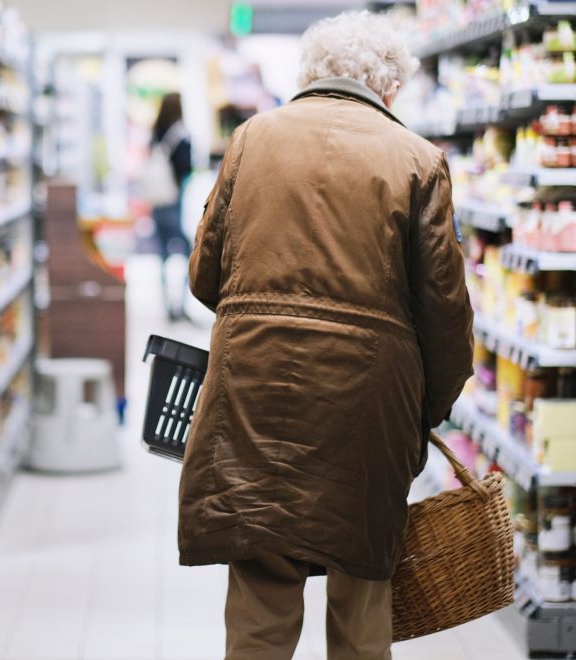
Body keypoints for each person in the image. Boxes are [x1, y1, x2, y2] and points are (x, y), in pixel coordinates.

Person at [179, 11, 474, 659]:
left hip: (254, 393)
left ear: (309, 73)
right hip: (368, 405)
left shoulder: (252, 139)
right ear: (391, 87)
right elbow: (445, 313)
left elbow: (205, 276)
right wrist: (427, 409)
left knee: (261, 588)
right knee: (362, 586)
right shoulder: (419, 160)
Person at [148, 92, 193, 323]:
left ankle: (167, 305)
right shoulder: (181, 135)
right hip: (174, 201)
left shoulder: (156, 133)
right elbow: (186, 168)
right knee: (189, 254)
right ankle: (181, 305)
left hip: (157, 201)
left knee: (163, 255)